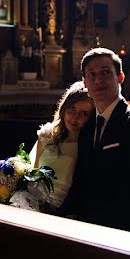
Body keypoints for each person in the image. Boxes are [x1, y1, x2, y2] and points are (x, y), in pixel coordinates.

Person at [73, 47, 130, 232]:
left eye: (106, 73)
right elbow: (82, 177)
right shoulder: (87, 127)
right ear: (85, 83)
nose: (98, 80)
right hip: (90, 226)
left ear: (120, 77)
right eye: (92, 75)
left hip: (126, 228)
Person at [17, 81, 94, 214]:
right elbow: (31, 171)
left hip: (66, 210)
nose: (75, 118)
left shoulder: (89, 145)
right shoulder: (47, 135)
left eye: (84, 113)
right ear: (64, 108)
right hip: (34, 203)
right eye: (72, 109)